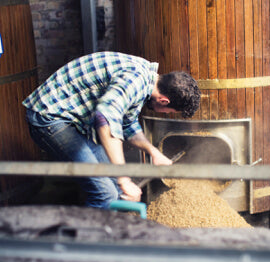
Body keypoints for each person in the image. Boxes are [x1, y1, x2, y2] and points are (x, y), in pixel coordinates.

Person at [23, 52, 201, 209]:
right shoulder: (135, 80)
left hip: (73, 120)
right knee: (105, 193)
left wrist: (153, 152)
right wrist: (124, 179)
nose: (166, 114)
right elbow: (105, 118)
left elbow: (128, 126)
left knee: (115, 188)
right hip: (50, 116)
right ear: (164, 101)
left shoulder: (146, 80)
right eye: (170, 112)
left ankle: (110, 234)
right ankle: (88, 244)